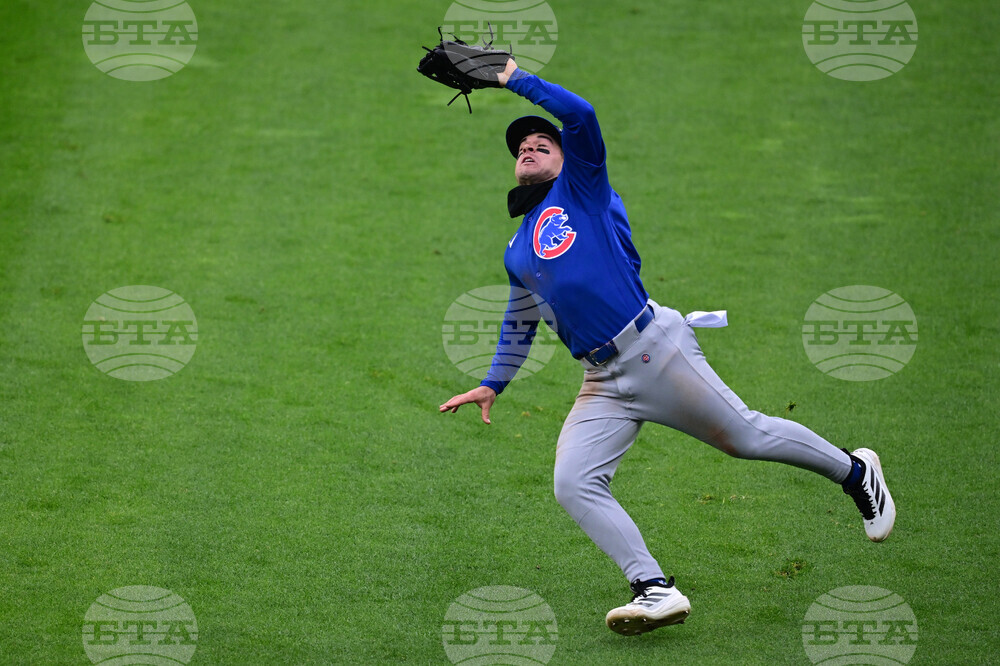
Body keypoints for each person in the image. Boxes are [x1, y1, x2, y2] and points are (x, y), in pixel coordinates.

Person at [439, 59, 896, 636]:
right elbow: (521, 316)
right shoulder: (516, 247)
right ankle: (653, 588)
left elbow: (580, 115)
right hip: (601, 381)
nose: (528, 149)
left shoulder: (585, 188)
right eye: (521, 147)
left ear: (566, 158)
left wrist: (511, 77)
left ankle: (857, 474)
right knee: (572, 481)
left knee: (747, 438)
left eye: (541, 144)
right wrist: (493, 382)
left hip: (653, 349)